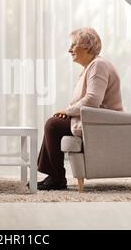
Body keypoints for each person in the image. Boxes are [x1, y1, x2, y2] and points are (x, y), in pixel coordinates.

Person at [37, 27, 123, 190]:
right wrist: (68, 114)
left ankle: (56, 178)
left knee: (53, 125)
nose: (70, 49)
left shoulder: (98, 65)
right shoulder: (91, 67)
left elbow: (92, 100)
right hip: (94, 120)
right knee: (54, 122)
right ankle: (54, 176)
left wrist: (68, 111)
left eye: (74, 45)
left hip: (103, 123)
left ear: (87, 46)